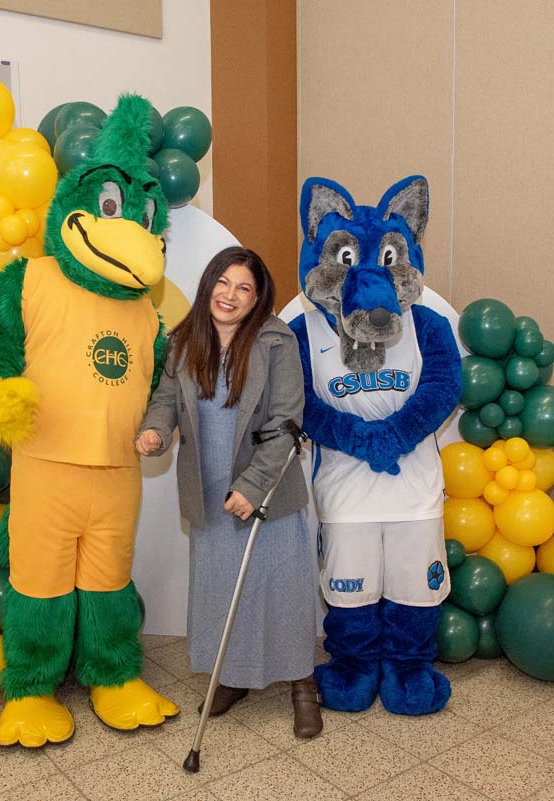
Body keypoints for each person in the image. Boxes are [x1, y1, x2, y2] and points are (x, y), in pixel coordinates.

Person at [136, 246, 322, 738]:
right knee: (222, 591)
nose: (230, 295)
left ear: (257, 298)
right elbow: (166, 399)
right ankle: (232, 676)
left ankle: (302, 684)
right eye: (223, 282)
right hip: (208, 488)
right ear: (208, 283)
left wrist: (254, 486)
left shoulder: (277, 342)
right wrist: (155, 431)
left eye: (244, 288)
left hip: (267, 488)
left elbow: (287, 422)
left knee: (282, 589)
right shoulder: (184, 341)